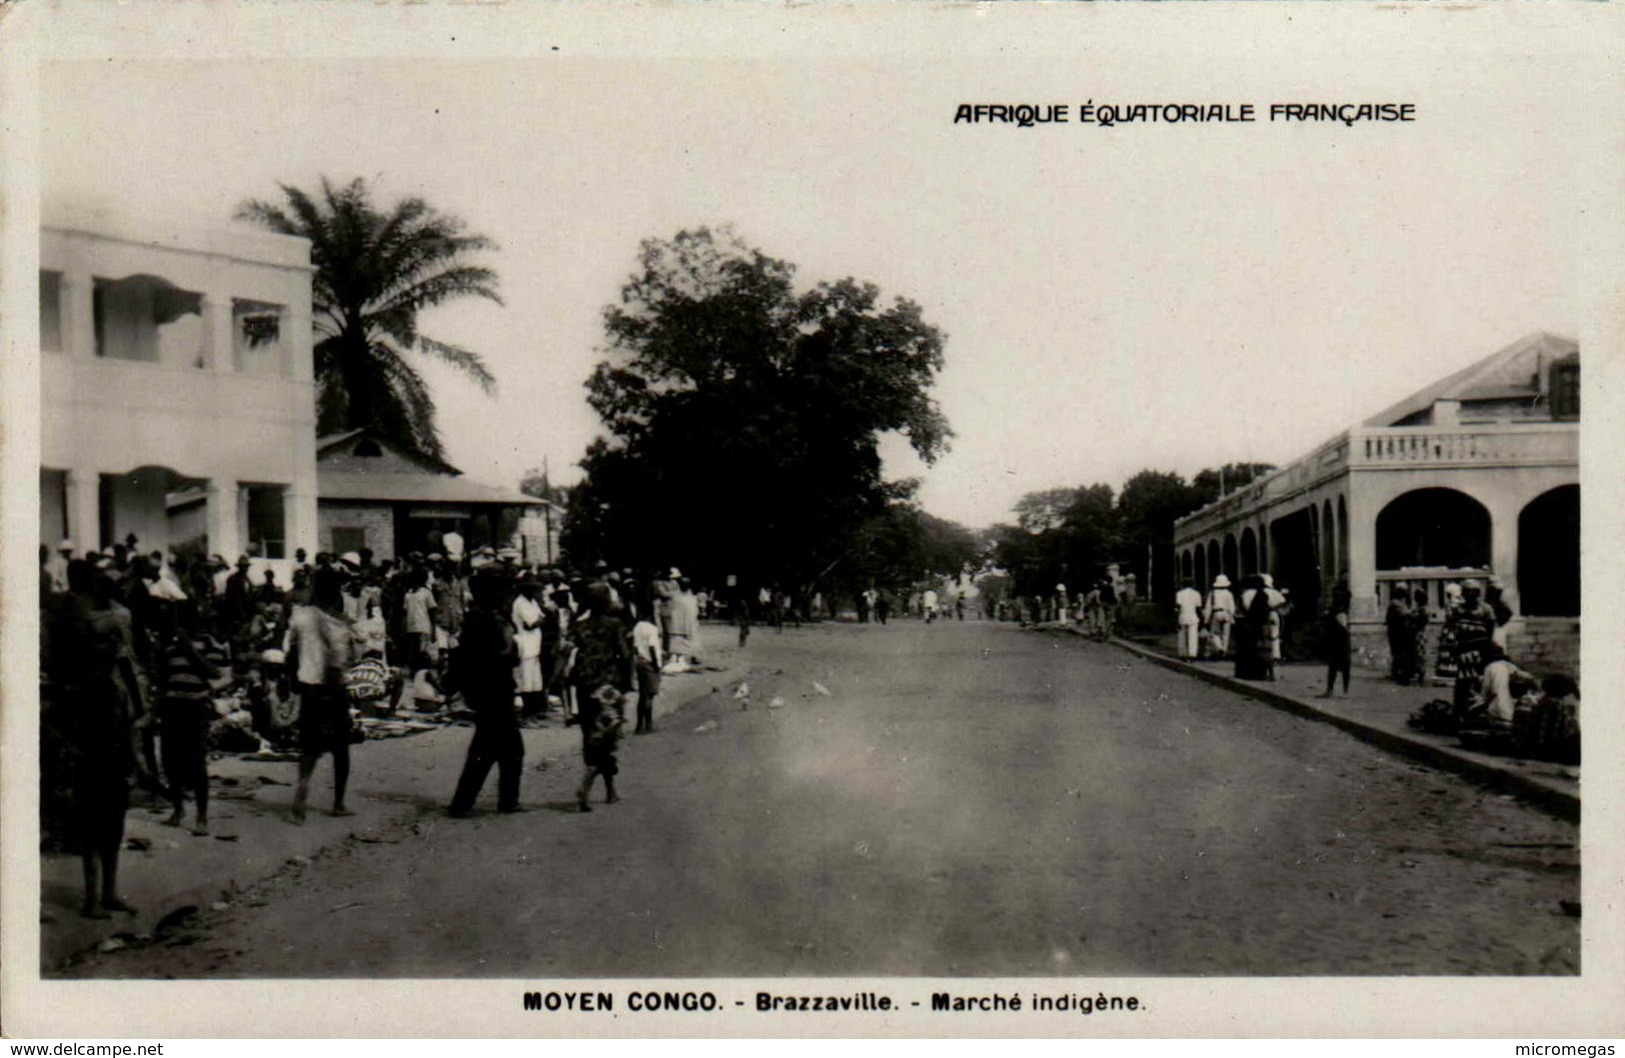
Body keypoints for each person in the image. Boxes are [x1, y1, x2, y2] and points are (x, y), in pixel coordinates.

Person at [45, 560, 151, 918]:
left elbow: (125, 727)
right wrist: (73, 751)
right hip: (92, 762)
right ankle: (93, 898)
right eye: (105, 649)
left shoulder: (112, 689)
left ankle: (109, 893)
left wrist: (135, 764)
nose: (110, 654)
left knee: (113, 829)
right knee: (91, 831)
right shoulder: (83, 691)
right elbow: (58, 725)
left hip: (113, 763)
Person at [448, 572, 524, 816]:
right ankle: (466, 804)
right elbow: (496, 655)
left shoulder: (480, 617)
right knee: (493, 749)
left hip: (490, 690)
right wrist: (511, 653)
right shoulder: (485, 619)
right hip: (494, 689)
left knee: (499, 749)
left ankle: (492, 801)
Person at [286, 568, 357, 823]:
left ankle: (302, 789)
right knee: (341, 748)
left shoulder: (301, 616)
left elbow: (291, 652)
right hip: (333, 688)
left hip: (309, 687)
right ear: (335, 592)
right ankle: (338, 802)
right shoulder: (340, 622)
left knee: (309, 746)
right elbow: (339, 664)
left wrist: (293, 681)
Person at [156, 606, 225, 835]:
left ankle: (201, 816)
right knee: (170, 762)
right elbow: (163, 679)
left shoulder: (210, 645)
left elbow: (215, 674)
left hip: (195, 709)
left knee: (196, 764)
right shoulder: (169, 648)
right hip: (172, 709)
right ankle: (178, 810)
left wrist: (189, 649)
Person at [566, 584, 634, 811]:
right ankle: (587, 786)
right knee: (608, 739)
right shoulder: (615, 625)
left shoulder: (578, 625)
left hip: (585, 688)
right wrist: (626, 684)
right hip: (609, 690)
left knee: (591, 736)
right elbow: (625, 656)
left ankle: (610, 790)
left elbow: (566, 654)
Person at [1447, 579, 1499, 709]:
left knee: (1479, 679)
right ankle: (1461, 707)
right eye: (1467, 592)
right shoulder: (1458, 610)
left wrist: (1488, 646)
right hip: (1463, 650)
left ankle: (1480, 707)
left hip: (1481, 649)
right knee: (1463, 681)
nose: (1470, 595)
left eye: (1473, 592)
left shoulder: (1485, 609)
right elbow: (1451, 628)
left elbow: (1490, 628)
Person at [512, 577, 547, 716]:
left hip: (535, 645)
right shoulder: (520, 603)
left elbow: (543, 618)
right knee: (526, 681)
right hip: (525, 645)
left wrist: (539, 620)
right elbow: (531, 624)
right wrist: (539, 620)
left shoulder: (532, 602)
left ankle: (533, 713)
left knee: (535, 681)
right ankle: (526, 715)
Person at [1234, 576, 1274, 680]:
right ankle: (1269, 673)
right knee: (1266, 649)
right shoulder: (1264, 594)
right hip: (1265, 624)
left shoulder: (1246, 594)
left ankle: (1252, 673)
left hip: (1253, 624)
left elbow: (1246, 609)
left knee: (1252, 649)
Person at [631, 604, 663, 734]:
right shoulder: (652, 629)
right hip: (650, 662)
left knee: (642, 696)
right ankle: (648, 725)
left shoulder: (637, 627)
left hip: (640, 661)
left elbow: (634, 646)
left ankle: (639, 725)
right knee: (649, 696)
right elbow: (652, 647)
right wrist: (657, 666)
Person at [1319, 577, 1353, 698]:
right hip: (1340, 639)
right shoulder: (1341, 608)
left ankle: (1333, 690)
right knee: (1342, 665)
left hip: (1338, 638)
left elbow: (1342, 624)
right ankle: (1343, 691)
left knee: (1335, 665)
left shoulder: (1338, 610)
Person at [1385, 584, 1418, 684]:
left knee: (1399, 652)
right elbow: (1404, 614)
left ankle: (1398, 671)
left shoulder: (1399, 603)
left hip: (1399, 631)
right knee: (1399, 652)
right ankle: (1398, 672)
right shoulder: (1395, 604)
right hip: (1397, 632)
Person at [1203, 575, 1235, 658]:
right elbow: (1232, 607)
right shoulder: (1229, 594)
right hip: (1226, 613)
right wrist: (1231, 616)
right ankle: (1224, 651)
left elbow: (1208, 607)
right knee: (1226, 634)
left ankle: (1219, 647)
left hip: (1216, 613)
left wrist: (1206, 620)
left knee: (1214, 633)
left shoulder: (1213, 593)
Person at [1173, 579, 1203, 659]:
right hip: (1193, 616)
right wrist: (1201, 618)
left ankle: (1182, 653)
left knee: (1181, 636)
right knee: (1193, 636)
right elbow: (1198, 608)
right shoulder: (1197, 594)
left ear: (1183, 584)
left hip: (1183, 616)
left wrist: (1176, 615)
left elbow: (1177, 607)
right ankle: (1192, 654)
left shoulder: (1179, 594)